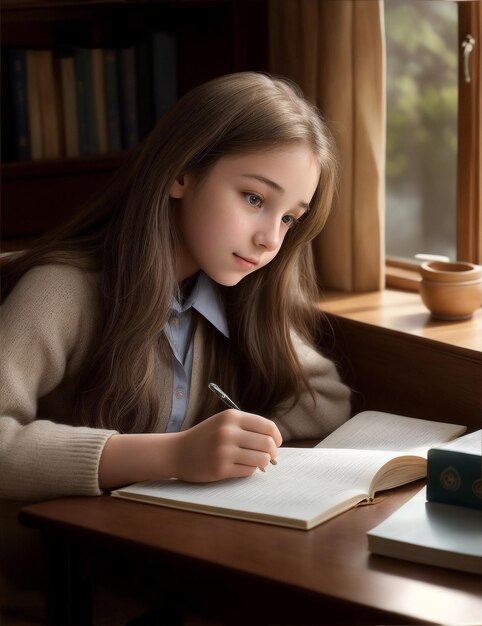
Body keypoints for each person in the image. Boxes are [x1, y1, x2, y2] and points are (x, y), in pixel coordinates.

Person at [0, 71, 350, 620]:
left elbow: (323, 399)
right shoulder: (63, 291)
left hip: (173, 573)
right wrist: (172, 454)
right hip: (57, 592)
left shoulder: (236, 291)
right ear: (182, 173)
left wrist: (239, 437)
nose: (270, 239)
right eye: (254, 197)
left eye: (288, 218)